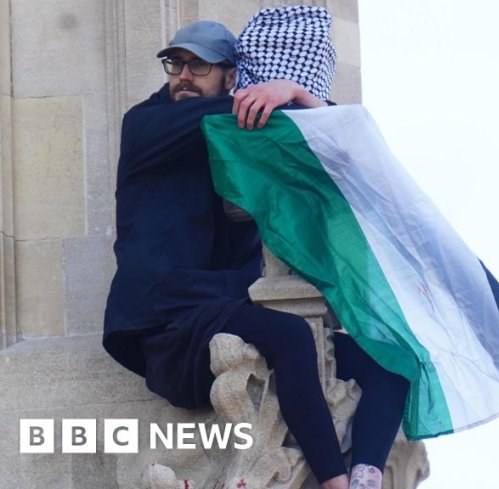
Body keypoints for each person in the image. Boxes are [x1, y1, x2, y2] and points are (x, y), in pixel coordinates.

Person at [103, 18, 408, 489]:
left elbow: (338, 154)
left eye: (199, 65)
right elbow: (255, 119)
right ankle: (334, 481)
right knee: (289, 335)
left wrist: (298, 95)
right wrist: (292, 93)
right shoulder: (149, 123)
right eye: (175, 63)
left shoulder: (238, 137)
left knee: (391, 360)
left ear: (230, 74)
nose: (183, 74)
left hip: (228, 308)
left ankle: (366, 475)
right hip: (169, 322)